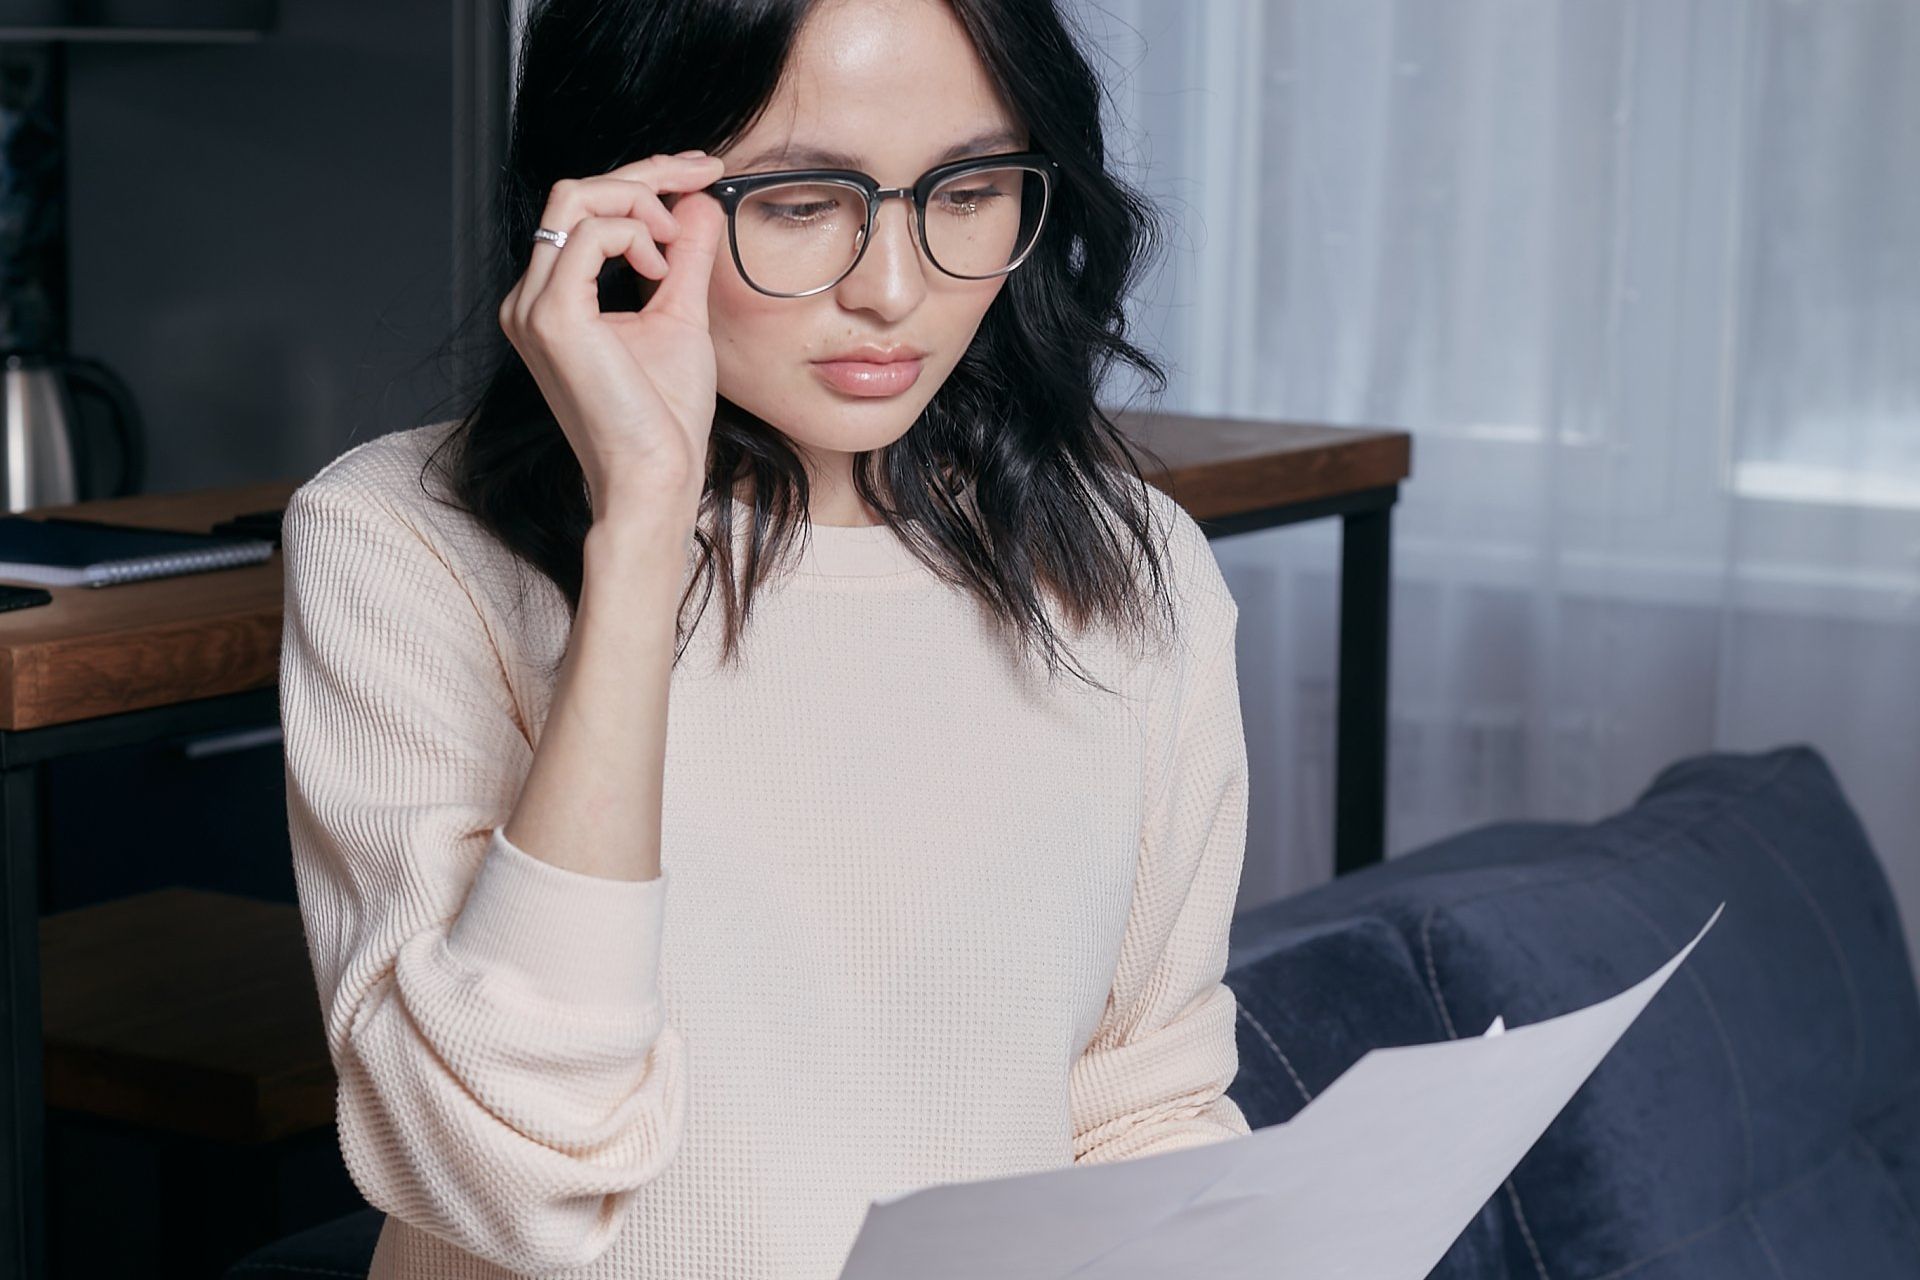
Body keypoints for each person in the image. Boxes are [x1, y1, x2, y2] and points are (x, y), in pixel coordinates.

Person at [278, 0, 1251, 1276]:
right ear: (620, 197)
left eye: (966, 191)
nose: (893, 291)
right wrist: (639, 529)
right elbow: (503, 1179)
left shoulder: (1130, 565)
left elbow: (1142, 1112)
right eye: (797, 203)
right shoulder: (398, 544)